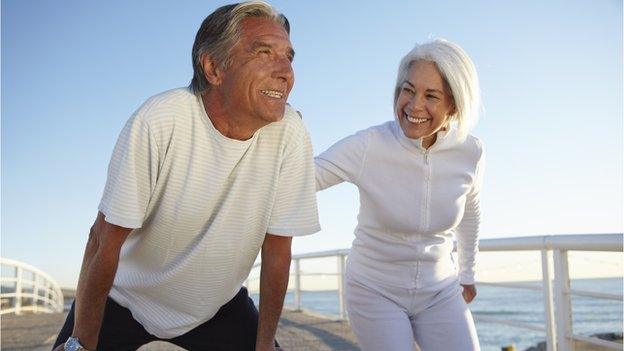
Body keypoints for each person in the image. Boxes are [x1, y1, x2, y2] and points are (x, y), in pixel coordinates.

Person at [53, 2, 320, 350]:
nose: (285, 70)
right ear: (213, 67)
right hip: (124, 301)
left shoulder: (290, 133)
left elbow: (277, 250)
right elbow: (102, 240)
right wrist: (80, 343)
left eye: (288, 56)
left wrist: (265, 345)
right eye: (264, 53)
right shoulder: (160, 121)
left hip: (215, 309)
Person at [315, 39, 484, 351]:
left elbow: (470, 212)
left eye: (431, 96)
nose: (414, 105)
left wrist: (467, 273)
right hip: (374, 288)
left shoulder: (470, 151)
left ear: (454, 105)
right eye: (408, 89)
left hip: (440, 289)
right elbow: (305, 177)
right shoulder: (369, 145)